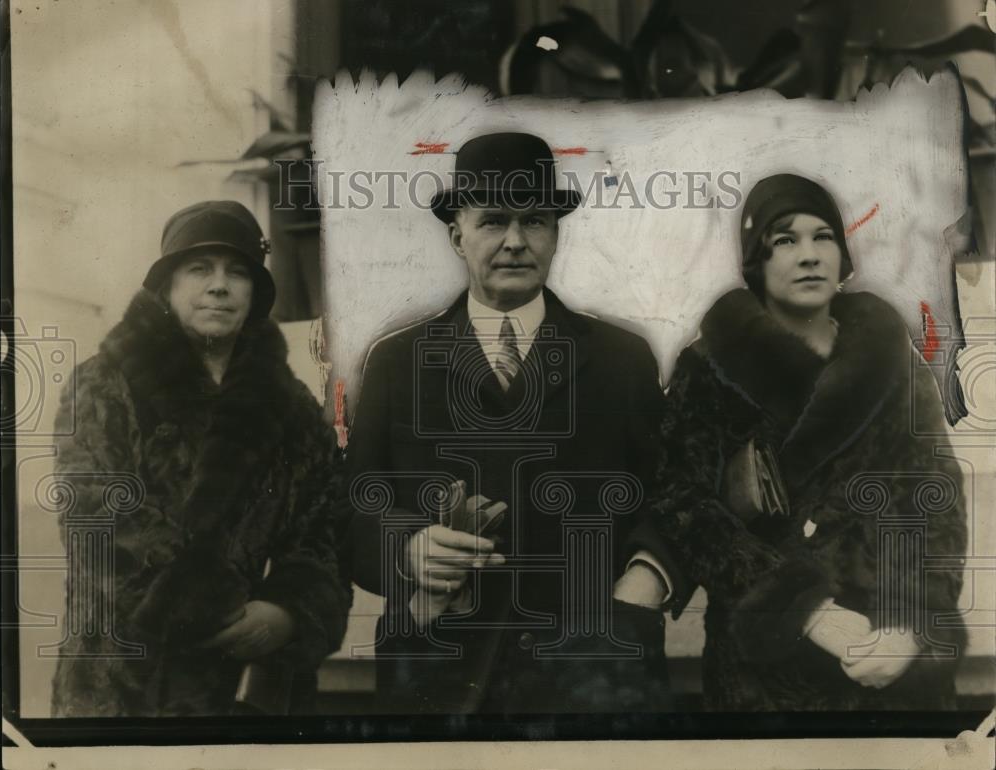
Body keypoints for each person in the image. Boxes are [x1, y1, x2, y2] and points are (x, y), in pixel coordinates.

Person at [344, 132, 689, 714]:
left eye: (534, 221)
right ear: (457, 236)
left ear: (556, 234)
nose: (514, 241)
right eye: (493, 221)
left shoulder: (620, 359)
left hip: (594, 676)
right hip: (442, 677)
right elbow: (352, 510)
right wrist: (407, 550)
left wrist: (643, 584)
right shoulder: (398, 361)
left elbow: (679, 494)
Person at [642, 173, 967, 710]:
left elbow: (937, 499)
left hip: (891, 658)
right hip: (766, 672)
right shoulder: (709, 367)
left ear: (843, 255)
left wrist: (911, 623)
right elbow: (683, 505)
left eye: (824, 237)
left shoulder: (891, 361)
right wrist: (805, 609)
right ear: (757, 260)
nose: (810, 255)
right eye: (785, 240)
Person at [50, 201, 351, 716]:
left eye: (238, 272)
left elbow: (323, 533)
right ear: (167, 285)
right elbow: (95, 516)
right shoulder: (103, 384)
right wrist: (209, 606)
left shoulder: (294, 409)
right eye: (199, 269)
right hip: (121, 684)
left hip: (245, 686)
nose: (219, 286)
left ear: (255, 293)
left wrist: (287, 614)